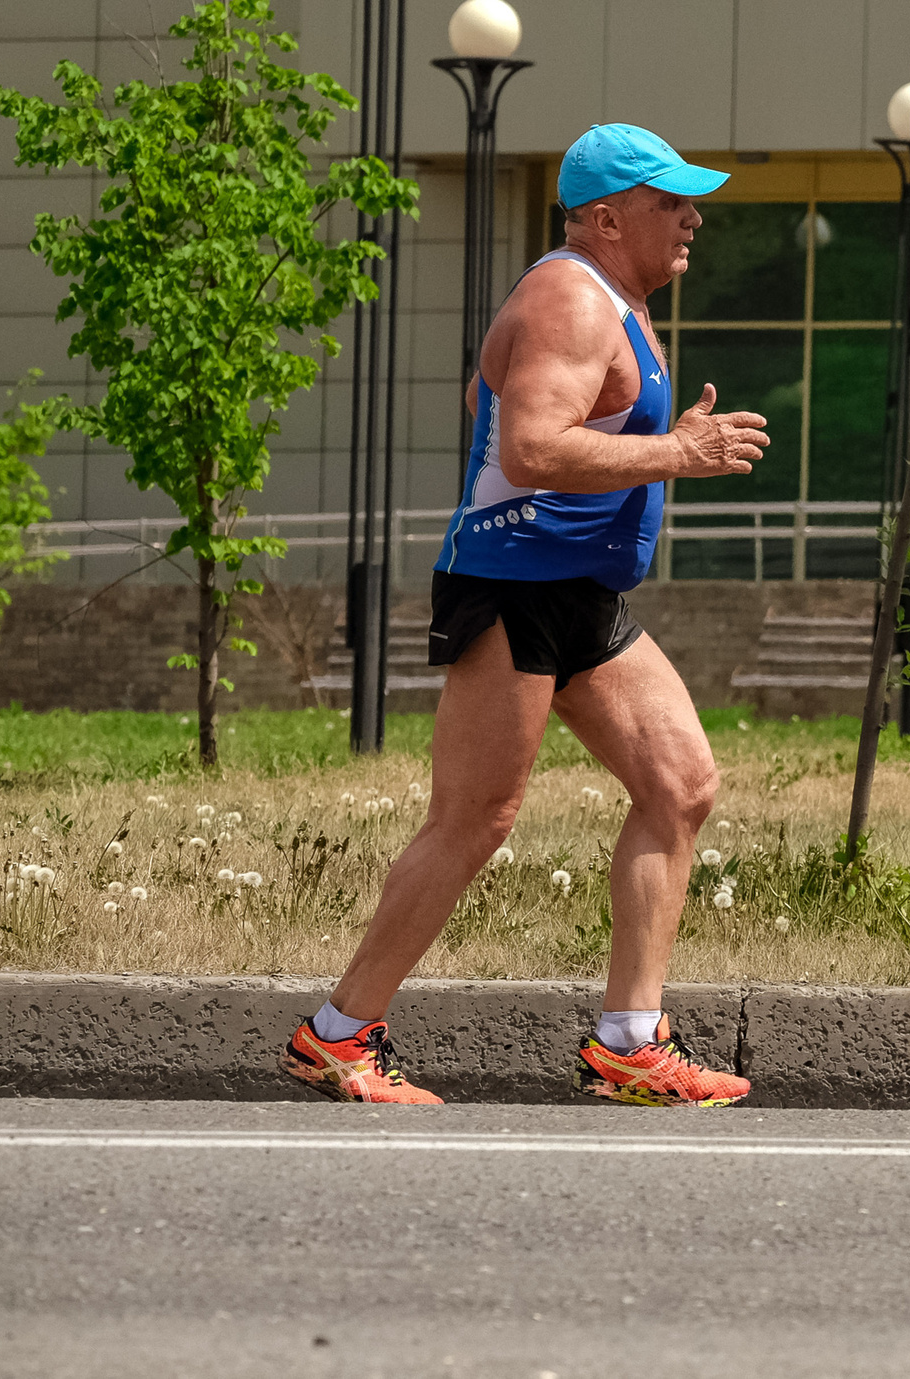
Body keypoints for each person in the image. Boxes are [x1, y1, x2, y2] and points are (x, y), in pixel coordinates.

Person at [285, 123, 770, 1106]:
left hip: (579, 591)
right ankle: (338, 1034)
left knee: (678, 786)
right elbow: (537, 445)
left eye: (690, 199)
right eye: (671, 201)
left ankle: (630, 1042)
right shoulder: (568, 298)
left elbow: (487, 402)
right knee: (475, 819)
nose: (694, 217)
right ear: (605, 215)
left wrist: (643, 440)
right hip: (513, 590)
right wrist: (674, 455)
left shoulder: (605, 301)